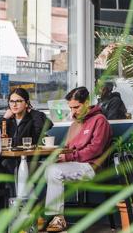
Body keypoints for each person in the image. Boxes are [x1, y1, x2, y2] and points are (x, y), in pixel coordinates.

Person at [44, 87, 112, 232]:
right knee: (41, 167)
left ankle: (57, 218)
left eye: (76, 107)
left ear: (87, 103)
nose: (73, 111)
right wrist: (59, 156)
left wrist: (68, 156)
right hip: (74, 164)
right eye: (71, 108)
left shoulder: (100, 120)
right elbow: (68, 147)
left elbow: (95, 149)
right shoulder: (75, 124)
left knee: (54, 171)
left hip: (91, 166)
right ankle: (39, 216)